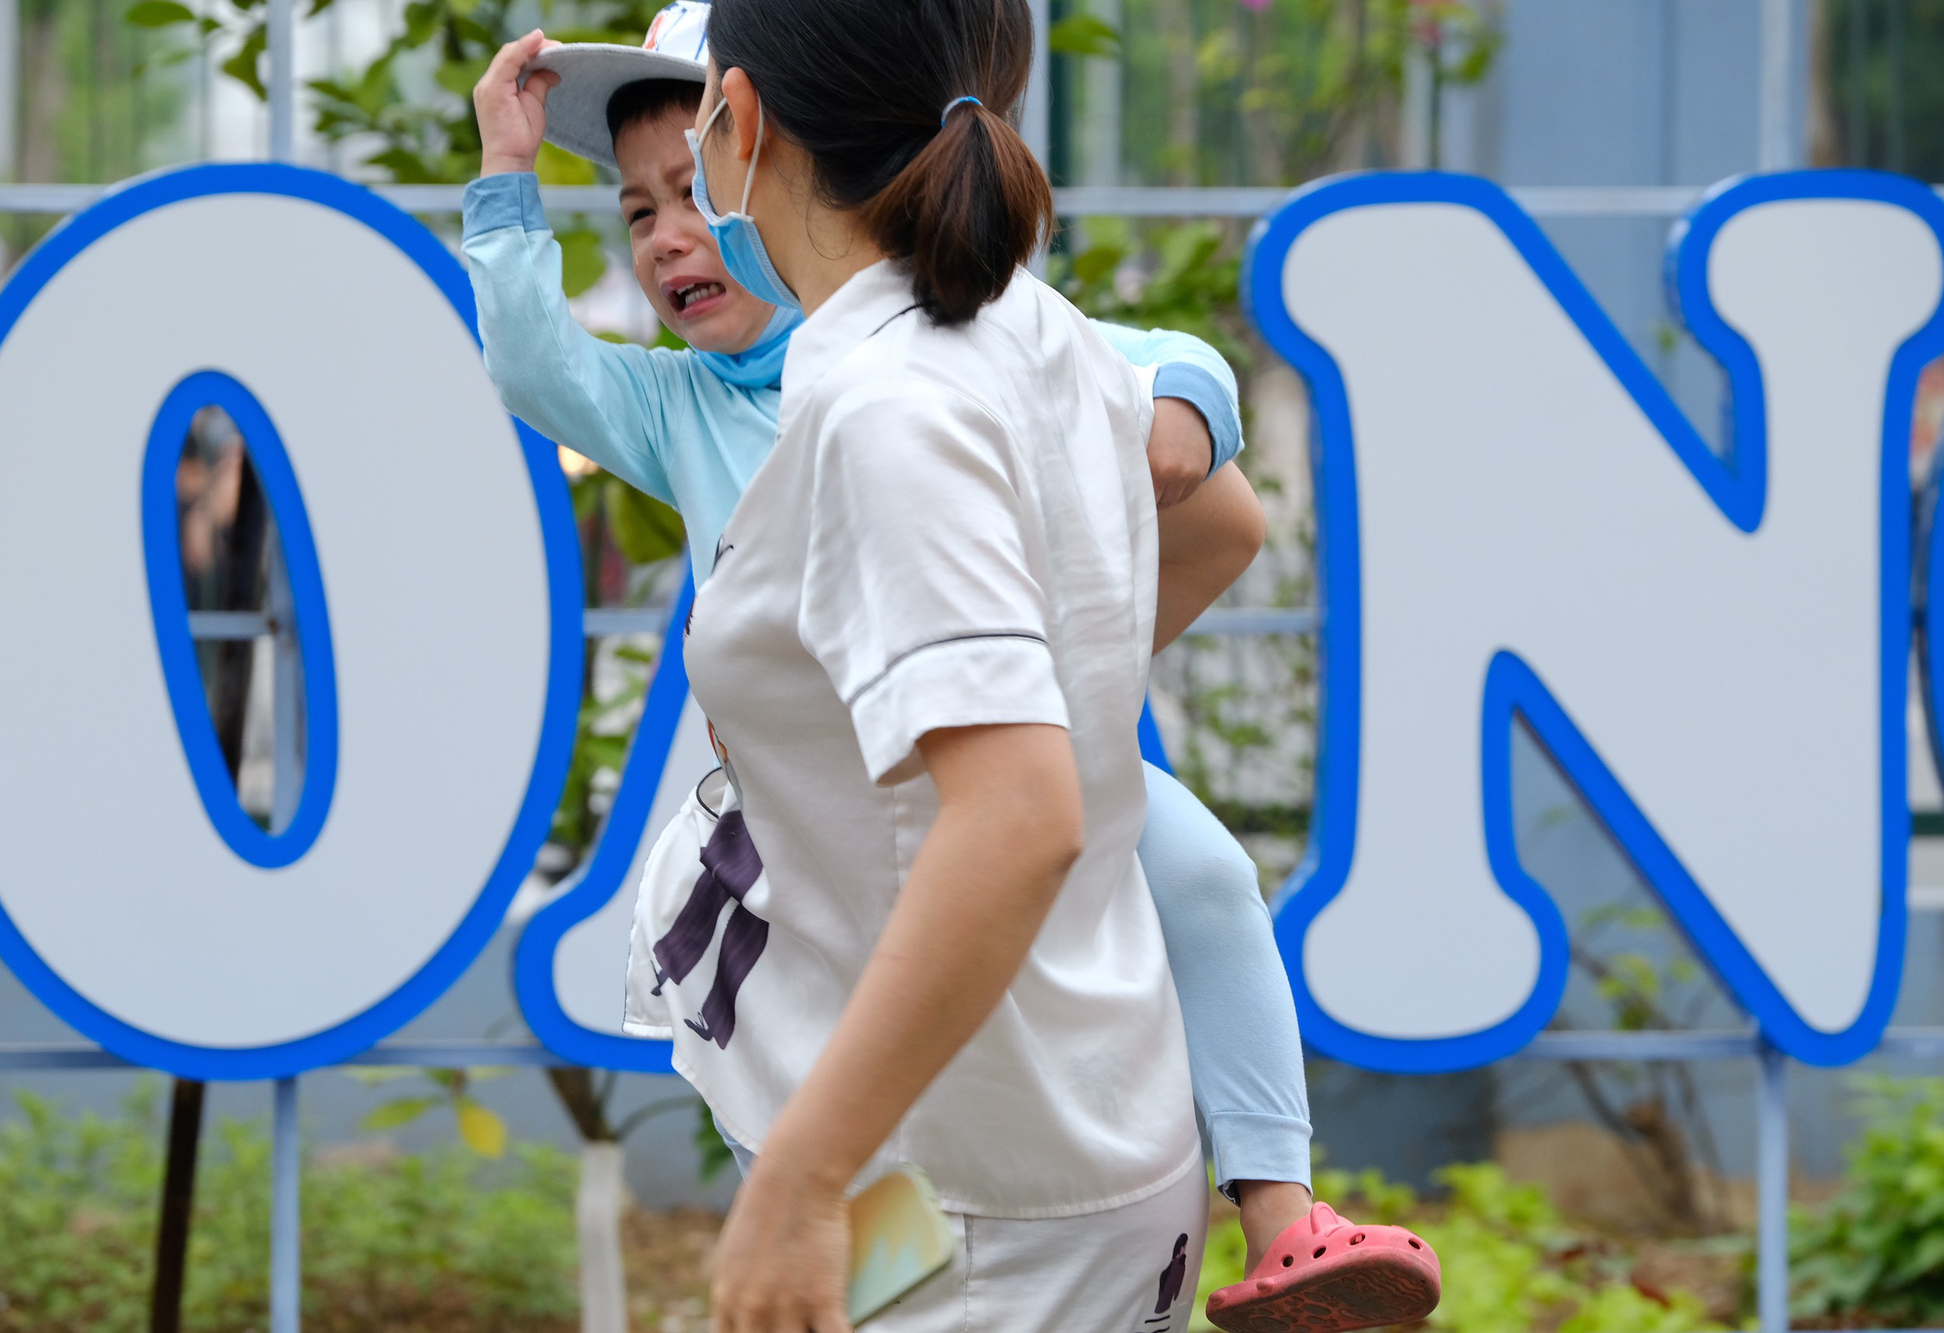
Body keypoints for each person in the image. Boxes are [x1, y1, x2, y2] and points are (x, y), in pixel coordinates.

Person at [464, 6, 1440, 1329]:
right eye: (635, 212)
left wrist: (802, 1177)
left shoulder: (886, 405)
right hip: (1024, 1123)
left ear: (743, 128)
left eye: (690, 171)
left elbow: (1018, 806)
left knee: (1198, 878)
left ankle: (1282, 1203)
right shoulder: (988, 339)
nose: (669, 230)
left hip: (968, 1162)